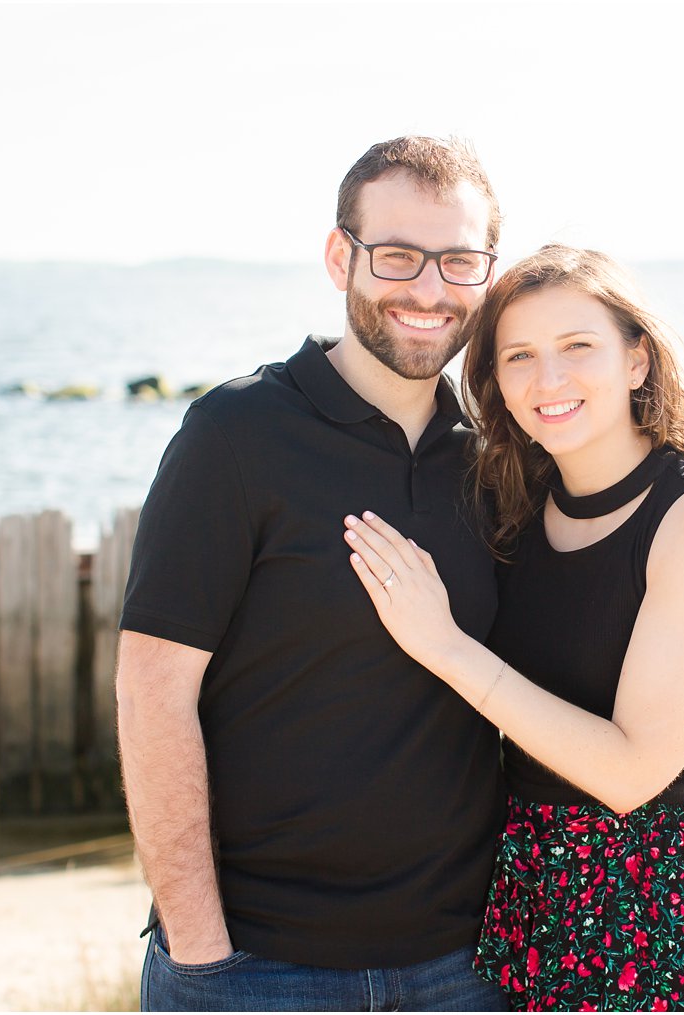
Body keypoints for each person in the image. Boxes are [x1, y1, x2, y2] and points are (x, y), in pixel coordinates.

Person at [116, 136, 512, 1011]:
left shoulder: (496, 458)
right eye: (399, 256)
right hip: (259, 965)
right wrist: (200, 950)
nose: (430, 288)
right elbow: (152, 691)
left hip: (464, 965)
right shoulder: (237, 433)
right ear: (342, 257)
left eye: (459, 260)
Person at [343, 245, 684, 1012]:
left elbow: (630, 773)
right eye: (519, 356)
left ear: (638, 359)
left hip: (653, 909)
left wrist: (443, 646)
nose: (548, 380)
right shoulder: (519, 503)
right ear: (496, 382)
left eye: (578, 347)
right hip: (526, 893)